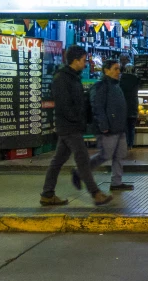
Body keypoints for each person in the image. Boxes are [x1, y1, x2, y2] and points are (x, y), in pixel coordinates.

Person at [40, 45, 113, 206]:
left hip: (71, 126)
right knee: (83, 160)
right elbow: (64, 105)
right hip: (69, 127)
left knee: (57, 161)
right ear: (75, 61)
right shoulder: (62, 79)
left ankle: (47, 193)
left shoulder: (73, 77)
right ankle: (95, 193)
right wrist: (77, 120)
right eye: (83, 60)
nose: (85, 63)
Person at [80, 59, 134, 191]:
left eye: (119, 69)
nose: (118, 72)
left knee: (120, 155)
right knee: (105, 155)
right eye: (115, 69)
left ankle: (116, 182)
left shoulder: (116, 86)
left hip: (119, 128)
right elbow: (97, 107)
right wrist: (103, 125)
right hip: (107, 129)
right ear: (106, 70)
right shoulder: (101, 86)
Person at [119, 63, 140, 150]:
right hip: (133, 104)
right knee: (131, 126)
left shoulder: (121, 78)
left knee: (125, 127)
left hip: (123, 105)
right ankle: (130, 144)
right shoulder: (136, 78)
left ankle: (124, 143)